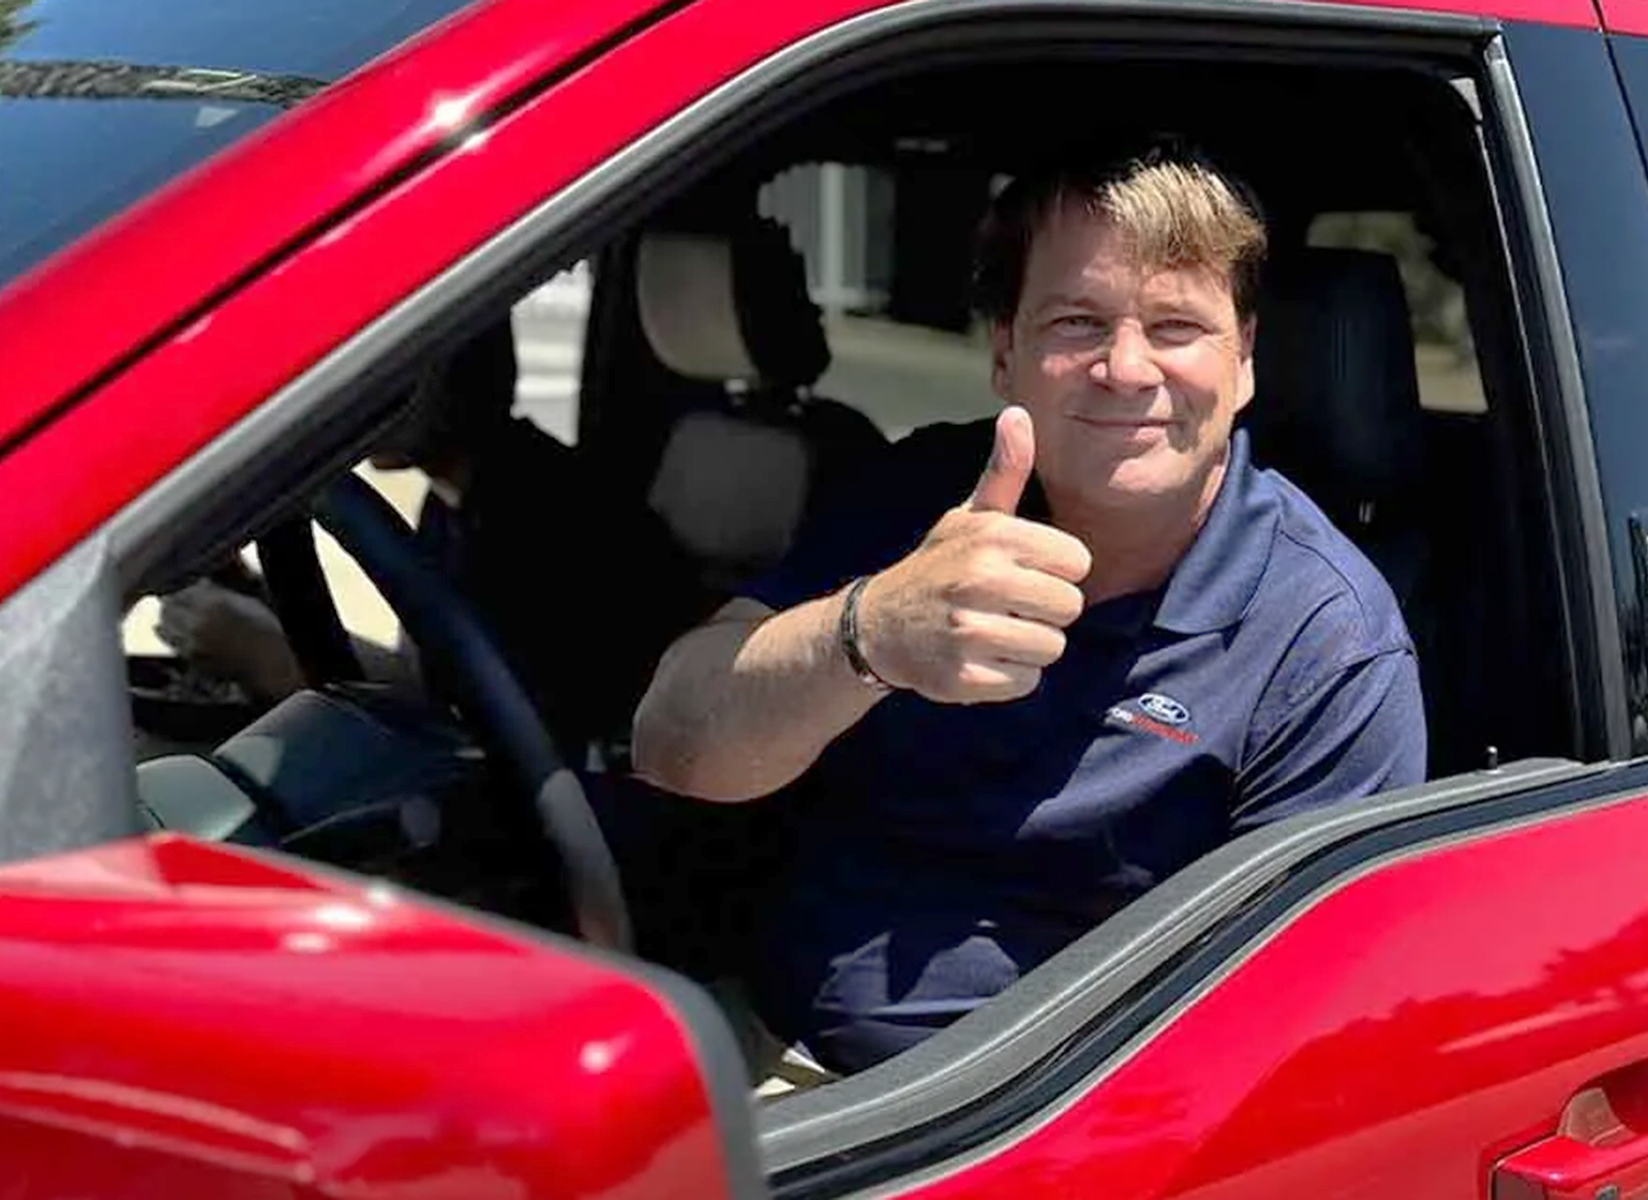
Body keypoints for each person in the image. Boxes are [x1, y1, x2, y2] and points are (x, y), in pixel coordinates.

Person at [631, 141, 1427, 1079]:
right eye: (1078, 322)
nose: (1127, 368)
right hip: (765, 1037)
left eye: (1177, 326)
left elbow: (1288, 1044)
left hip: (1031, 1126)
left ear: (1246, 360)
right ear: (1005, 352)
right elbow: (672, 745)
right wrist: (872, 634)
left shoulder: (1326, 640)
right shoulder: (920, 491)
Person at [157, 318, 699, 764]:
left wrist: (269, 657)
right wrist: (258, 601)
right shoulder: (456, 499)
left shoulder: (553, 515)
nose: (364, 393)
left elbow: (488, 731)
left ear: (465, 369)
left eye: (398, 367)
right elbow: (433, 672)